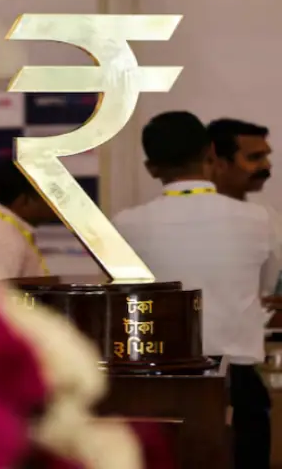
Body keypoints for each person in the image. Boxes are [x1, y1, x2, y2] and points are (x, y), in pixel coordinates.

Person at [112, 111, 280, 469]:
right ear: (210, 154)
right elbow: (265, 291)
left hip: (156, 381)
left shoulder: (124, 224)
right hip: (237, 380)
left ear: (151, 168)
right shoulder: (260, 219)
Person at [207, 119, 282, 312]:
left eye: (266, 156)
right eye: (255, 157)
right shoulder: (194, 220)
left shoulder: (267, 215)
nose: (267, 166)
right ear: (218, 164)